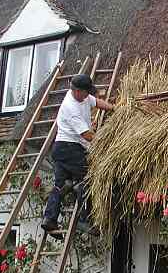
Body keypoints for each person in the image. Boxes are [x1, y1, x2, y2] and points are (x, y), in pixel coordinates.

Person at [41, 74, 114, 237]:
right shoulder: (70, 107)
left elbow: (96, 102)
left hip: (61, 148)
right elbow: (87, 135)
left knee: (61, 184)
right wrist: (106, 141)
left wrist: (113, 108)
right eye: (86, 92)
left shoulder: (83, 96)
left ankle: (49, 219)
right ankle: (84, 220)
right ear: (77, 91)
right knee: (88, 179)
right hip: (69, 148)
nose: (89, 95)